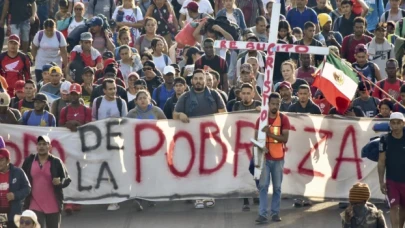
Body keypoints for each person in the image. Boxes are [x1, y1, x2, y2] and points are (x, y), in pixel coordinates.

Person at [173, 69, 226, 209]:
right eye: (195, 78)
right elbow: (174, 114)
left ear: (205, 80)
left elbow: (224, 112)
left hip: (210, 139)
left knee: (209, 168)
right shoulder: (185, 97)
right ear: (192, 81)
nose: (198, 81)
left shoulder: (214, 94)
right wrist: (180, 115)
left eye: (200, 78)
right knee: (195, 169)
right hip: (192, 140)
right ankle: (197, 197)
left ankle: (209, 195)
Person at [254, 92, 290, 224]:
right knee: (263, 186)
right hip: (264, 158)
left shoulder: (284, 119)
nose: (275, 106)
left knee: (277, 187)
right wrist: (261, 147)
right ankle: (262, 214)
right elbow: (255, 139)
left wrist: (269, 133)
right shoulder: (261, 120)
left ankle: (275, 213)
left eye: (277, 104)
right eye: (273, 104)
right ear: (268, 104)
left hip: (278, 159)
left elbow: (285, 138)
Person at [22, 135, 71, 228]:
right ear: (36, 147)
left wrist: (60, 182)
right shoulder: (29, 160)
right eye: (39, 144)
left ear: (50, 147)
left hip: (53, 204)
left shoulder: (56, 162)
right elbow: (22, 177)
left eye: (44, 144)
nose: (41, 146)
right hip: (34, 203)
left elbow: (67, 179)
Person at [378, 112, 405, 228]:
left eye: (398, 123)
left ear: (403, 124)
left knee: (403, 207)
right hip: (392, 180)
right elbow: (381, 161)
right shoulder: (384, 139)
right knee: (394, 206)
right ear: (390, 124)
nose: (396, 126)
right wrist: (381, 181)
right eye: (393, 123)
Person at [0, 147, 30, 228]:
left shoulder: (18, 172)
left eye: (1, 160)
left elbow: (27, 188)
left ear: (8, 160)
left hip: (13, 213)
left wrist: (15, 195)